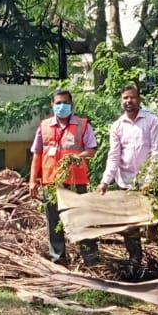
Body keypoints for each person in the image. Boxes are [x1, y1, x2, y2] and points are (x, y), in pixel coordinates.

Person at [98, 83, 158, 278]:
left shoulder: (152, 121)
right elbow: (114, 156)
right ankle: (135, 263)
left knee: (156, 222)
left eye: (132, 97)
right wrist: (105, 181)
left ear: (139, 99)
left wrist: (149, 180)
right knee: (130, 228)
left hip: (148, 184)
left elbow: (157, 152)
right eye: (125, 98)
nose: (129, 101)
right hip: (125, 183)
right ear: (121, 101)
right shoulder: (117, 126)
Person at [28, 88, 100, 267]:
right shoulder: (44, 126)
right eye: (58, 103)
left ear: (72, 104)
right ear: (52, 105)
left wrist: (77, 157)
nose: (62, 106)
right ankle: (58, 259)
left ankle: (91, 260)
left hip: (76, 182)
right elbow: (37, 154)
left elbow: (91, 151)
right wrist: (32, 181)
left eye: (66, 103)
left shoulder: (83, 125)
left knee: (82, 219)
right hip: (51, 182)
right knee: (53, 222)